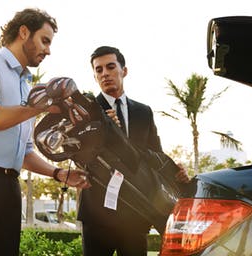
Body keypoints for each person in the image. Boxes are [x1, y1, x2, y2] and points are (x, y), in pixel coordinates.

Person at [0, 8, 89, 256]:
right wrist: (41, 106)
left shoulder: (27, 87)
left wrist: (58, 174)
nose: (48, 50)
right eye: (44, 41)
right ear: (24, 32)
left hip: (9, 185)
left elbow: (23, 152)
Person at [78, 46, 189, 256]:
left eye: (110, 67)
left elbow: (155, 155)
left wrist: (175, 172)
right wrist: (101, 130)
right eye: (99, 70)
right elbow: (81, 157)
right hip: (98, 213)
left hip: (136, 212)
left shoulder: (143, 112)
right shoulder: (88, 110)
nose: (105, 74)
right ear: (94, 76)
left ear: (124, 71)